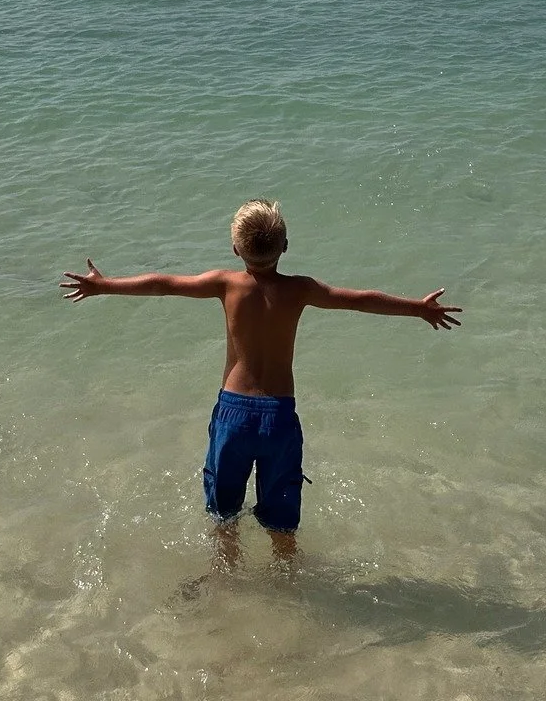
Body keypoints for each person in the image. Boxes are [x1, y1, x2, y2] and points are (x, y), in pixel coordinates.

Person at [60, 199, 459, 561]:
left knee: (224, 512)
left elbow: (164, 284)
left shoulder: (226, 283)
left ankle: (226, 573)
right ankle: (286, 578)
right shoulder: (300, 289)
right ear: (285, 246)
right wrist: (417, 309)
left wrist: (104, 285)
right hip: (280, 419)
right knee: (282, 516)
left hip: (234, 414)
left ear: (236, 250)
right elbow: (359, 299)